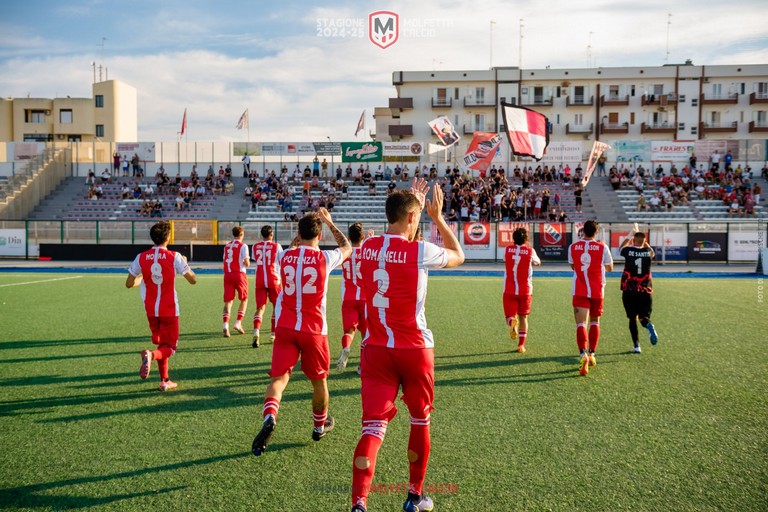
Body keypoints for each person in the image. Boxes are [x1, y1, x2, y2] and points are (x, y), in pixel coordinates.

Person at [350, 179, 465, 512]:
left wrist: (413, 210)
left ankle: (359, 503)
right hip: (414, 349)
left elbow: (395, 247)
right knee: (419, 420)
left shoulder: (367, 247)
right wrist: (439, 218)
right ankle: (415, 496)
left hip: (376, 349)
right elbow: (459, 255)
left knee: (372, 428)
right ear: (414, 217)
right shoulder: (420, 251)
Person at [252, 209, 351, 456]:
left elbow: (295, 248)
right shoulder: (325, 258)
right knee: (319, 382)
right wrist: (328, 222)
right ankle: (319, 426)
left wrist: (303, 231)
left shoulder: (285, 256)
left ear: (298, 233)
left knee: (278, 380)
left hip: (285, 326)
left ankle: (270, 416)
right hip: (313, 330)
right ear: (319, 234)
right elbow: (347, 246)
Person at [126, 221, 197, 391]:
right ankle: (151, 355)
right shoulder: (175, 256)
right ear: (168, 237)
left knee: (162, 344)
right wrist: (186, 264)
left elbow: (129, 283)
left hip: (151, 310)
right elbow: (193, 280)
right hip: (169, 309)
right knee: (170, 348)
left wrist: (144, 276)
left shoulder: (141, 257)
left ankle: (165, 380)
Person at [568, 220, 613, 376]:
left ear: (583, 231)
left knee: (581, 323)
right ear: (596, 232)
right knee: (595, 321)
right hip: (597, 290)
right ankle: (592, 353)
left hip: (579, 290)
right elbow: (610, 267)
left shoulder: (573, 247)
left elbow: (573, 266)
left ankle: (583, 354)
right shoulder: (602, 247)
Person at [336, 223, 371, 372]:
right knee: (365, 333)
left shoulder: (345, 252)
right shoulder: (367, 252)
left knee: (349, 331)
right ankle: (362, 366)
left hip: (349, 297)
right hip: (365, 298)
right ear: (362, 237)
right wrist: (369, 239)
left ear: (349, 238)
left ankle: (346, 347)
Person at [503, 227, 541, 353]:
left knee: (509, 315)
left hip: (509, 289)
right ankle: (521, 345)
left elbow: (506, 260)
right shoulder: (530, 251)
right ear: (526, 239)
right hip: (525, 290)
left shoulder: (507, 250)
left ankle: (511, 322)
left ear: (513, 238)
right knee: (523, 317)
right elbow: (538, 263)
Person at [620, 231, 659, 353]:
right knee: (643, 318)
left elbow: (621, 248)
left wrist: (628, 237)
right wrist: (645, 244)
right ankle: (648, 326)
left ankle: (637, 346)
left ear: (634, 240)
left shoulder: (628, 251)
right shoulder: (648, 252)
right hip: (645, 290)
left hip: (629, 290)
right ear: (644, 241)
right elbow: (652, 252)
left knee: (632, 318)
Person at [251, 225, 284, 348]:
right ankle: (273, 334)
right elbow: (280, 261)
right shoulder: (277, 246)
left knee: (260, 308)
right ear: (271, 234)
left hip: (259, 280)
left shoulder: (255, 246)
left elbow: (256, 259)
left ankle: (256, 332)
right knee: (276, 307)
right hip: (273, 279)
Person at [222, 226, 251, 338]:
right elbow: (247, 263)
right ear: (242, 234)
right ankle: (238, 323)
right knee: (244, 299)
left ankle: (225, 325)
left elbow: (224, 260)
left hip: (227, 275)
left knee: (228, 301)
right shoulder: (243, 246)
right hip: (239, 274)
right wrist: (245, 262)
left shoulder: (227, 246)